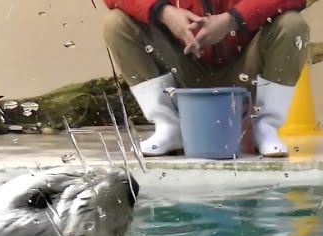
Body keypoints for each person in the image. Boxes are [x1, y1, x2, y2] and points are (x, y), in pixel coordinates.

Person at [102, 1, 310, 158]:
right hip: (183, 65)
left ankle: (266, 126)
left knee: (292, 25)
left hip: (246, 66)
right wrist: (164, 12)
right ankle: (168, 125)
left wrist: (233, 19)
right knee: (116, 23)